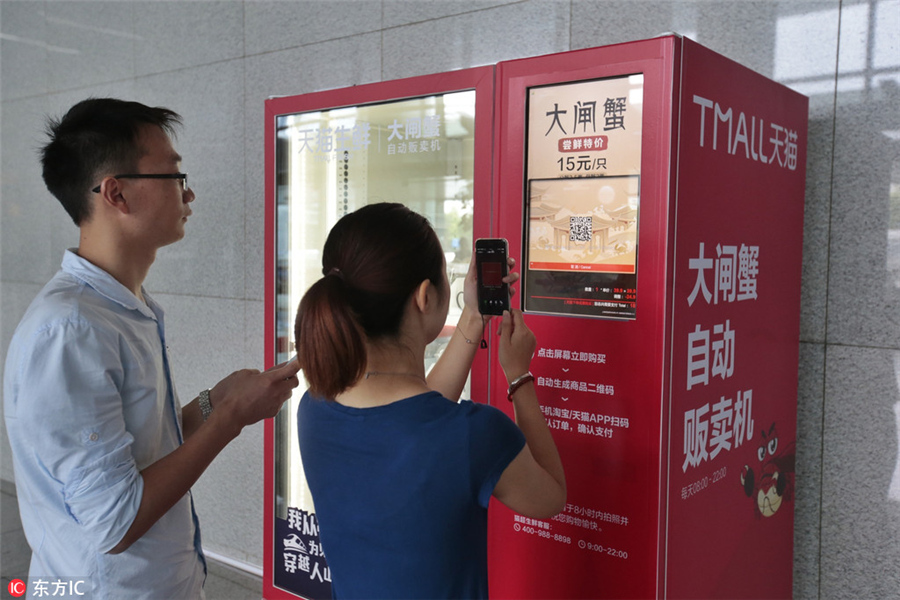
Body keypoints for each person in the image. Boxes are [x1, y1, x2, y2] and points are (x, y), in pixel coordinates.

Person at [3, 98, 301, 599]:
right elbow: (116, 523)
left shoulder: (122, 306)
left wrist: (214, 401)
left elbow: (144, 447)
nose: (189, 193)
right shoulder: (71, 331)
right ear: (116, 193)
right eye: (174, 176)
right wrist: (231, 417)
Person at [294, 203, 566, 599]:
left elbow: (417, 420)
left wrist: (473, 316)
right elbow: (550, 497)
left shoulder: (313, 409)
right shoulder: (475, 435)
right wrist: (519, 376)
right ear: (424, 295)